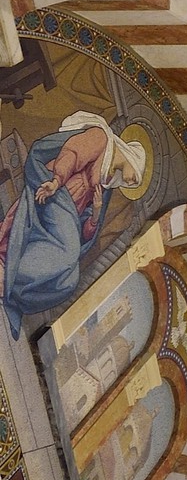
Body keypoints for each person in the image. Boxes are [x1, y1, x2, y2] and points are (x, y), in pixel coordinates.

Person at [0, 112, 148, 335]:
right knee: (67, 251)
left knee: (70, 279)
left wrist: (96, 213)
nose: (131, 183)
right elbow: (72, 153)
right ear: (130, 159)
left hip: (67, 216)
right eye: (135, 176)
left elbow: (86, 233)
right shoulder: (101, 138)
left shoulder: (107, 186)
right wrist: (56, 181)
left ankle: (14, 287)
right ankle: (5, 272)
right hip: (54, 193)